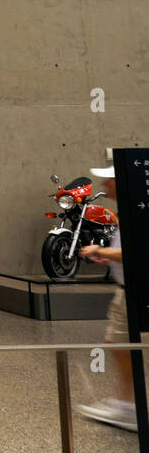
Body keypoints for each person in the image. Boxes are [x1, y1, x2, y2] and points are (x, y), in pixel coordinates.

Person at [77, 165, 136, 431]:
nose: (104, 185)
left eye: (109, 180)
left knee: (124, 346)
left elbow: (135, 251)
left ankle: (129, 406)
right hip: (125, 291)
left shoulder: (137, 210)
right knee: (118, 344)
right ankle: (127, 404)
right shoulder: (126, 211)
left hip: (134, 293)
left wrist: (99, 251)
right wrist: (108, 257)